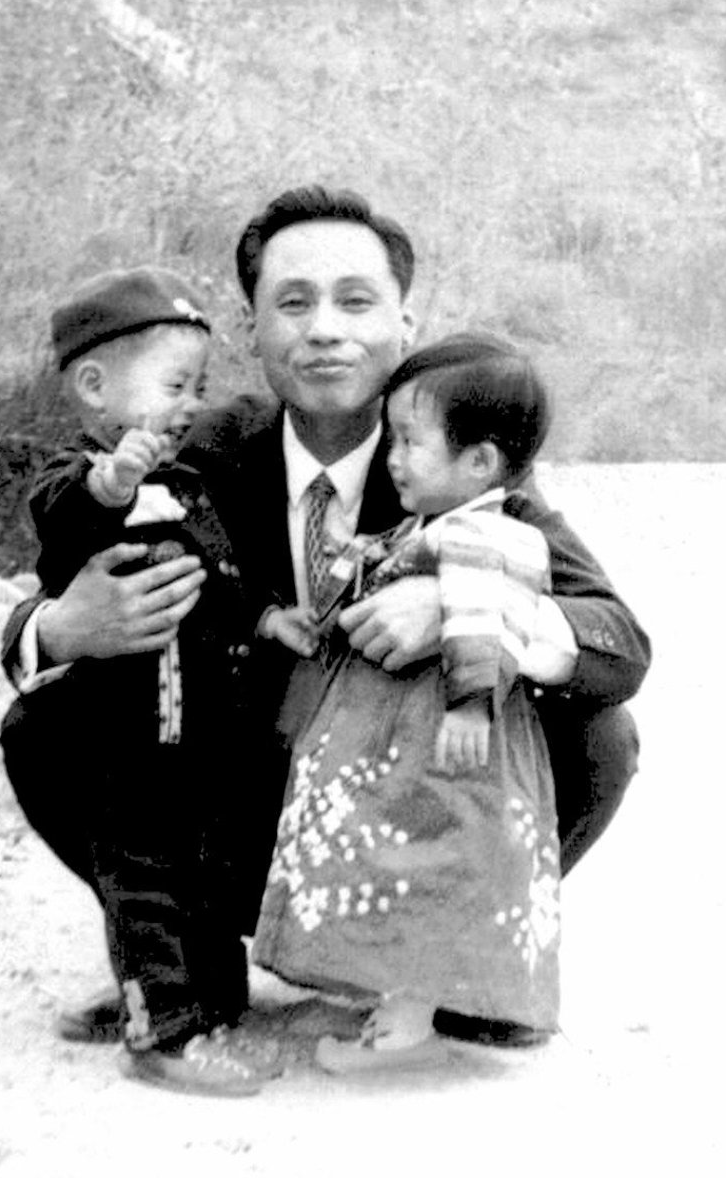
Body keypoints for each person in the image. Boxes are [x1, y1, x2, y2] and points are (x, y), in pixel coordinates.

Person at [0, 185, 651, 1054]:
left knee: (601, 738)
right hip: (239, 794)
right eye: (292, 303)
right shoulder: (191, 450)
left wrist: (462, 604)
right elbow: (35, 604)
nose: (324, 329)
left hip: (394, 794)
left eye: (356, 300)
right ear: (255, 331)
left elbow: (616, 639)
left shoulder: (454, 461)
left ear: (405, 324)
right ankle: (176, 963)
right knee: (46, 723)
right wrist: (62, 626)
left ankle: (453, 963)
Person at [2, 266, 279, 1096]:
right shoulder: (74, 478)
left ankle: (206, 994)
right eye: (175, 385)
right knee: (143, 874)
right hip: (122, 735)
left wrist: (267, 619)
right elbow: (61, 535)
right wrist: (111, 482)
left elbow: (224, 577)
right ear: (95, 386)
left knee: (192, 868)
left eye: (200, 385)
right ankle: (161, 1028)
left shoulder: (189, 479)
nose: (193, 402)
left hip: (201, 730)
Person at [254, 333, 562, 1072]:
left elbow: (485, 613)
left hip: (441, 735)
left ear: (479, 462)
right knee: (386, 856)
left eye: (410, 442)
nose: (391, 457)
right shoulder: (441, 525)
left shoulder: (494, 535)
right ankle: (377, 988)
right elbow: (392, 560)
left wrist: (469, 702)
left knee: (429, 859)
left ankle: (409, 1021)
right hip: (398, 730)